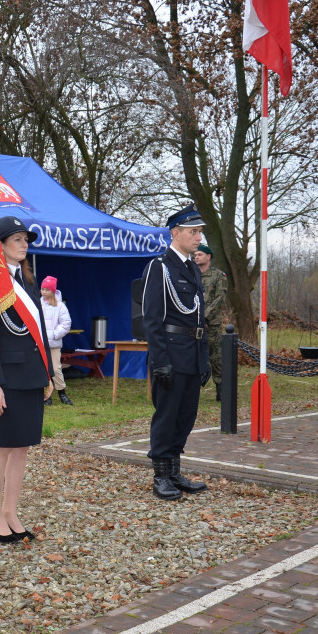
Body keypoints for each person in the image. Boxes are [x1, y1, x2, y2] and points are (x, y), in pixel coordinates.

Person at [0, 217, 53, 543]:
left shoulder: (27, 280)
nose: (23, 244)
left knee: (22, 448)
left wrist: (47, 372)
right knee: (2, 447)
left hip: (31, 373)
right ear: (0, 244)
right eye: (16, 239)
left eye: (25, 239)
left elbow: (38, 328)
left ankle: (11, 510)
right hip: (5, 377)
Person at [141, 204, 210, 501]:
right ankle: (160, 475)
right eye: (193, 232)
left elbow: (199, 318)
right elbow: (152, 319)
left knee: (186, 416)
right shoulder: (160, 267)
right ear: (176, 233)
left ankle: (174, 470)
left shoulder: (191, 268)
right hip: (170, 353)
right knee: (167, 415)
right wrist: (159, 361)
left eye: (200, 232)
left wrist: (204, 358)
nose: (198, 237)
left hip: (192, 354)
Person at [193, 244, 227, 401]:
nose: (196, 257)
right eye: (195, 254)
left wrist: (204, 318)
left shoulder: (218, 275)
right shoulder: (191, 275)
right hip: (193, 323)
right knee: (193, 356)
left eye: (200, 254)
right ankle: (193, 390)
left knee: (216, 357)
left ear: (208, 257)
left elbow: (220, 298)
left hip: (211, 324)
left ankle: (221, 390)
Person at [40, 275, 72, 406]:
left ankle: (61, 392)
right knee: (43, 369)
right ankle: (46, 395)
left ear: (52, 291)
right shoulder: (37, 304)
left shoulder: (60, 306)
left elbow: (66, 323)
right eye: (42, 289)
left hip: (53, 343)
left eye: (46, 289)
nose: (43, 292)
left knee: (56, 368)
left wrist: (53, 335)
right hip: (40, 344)